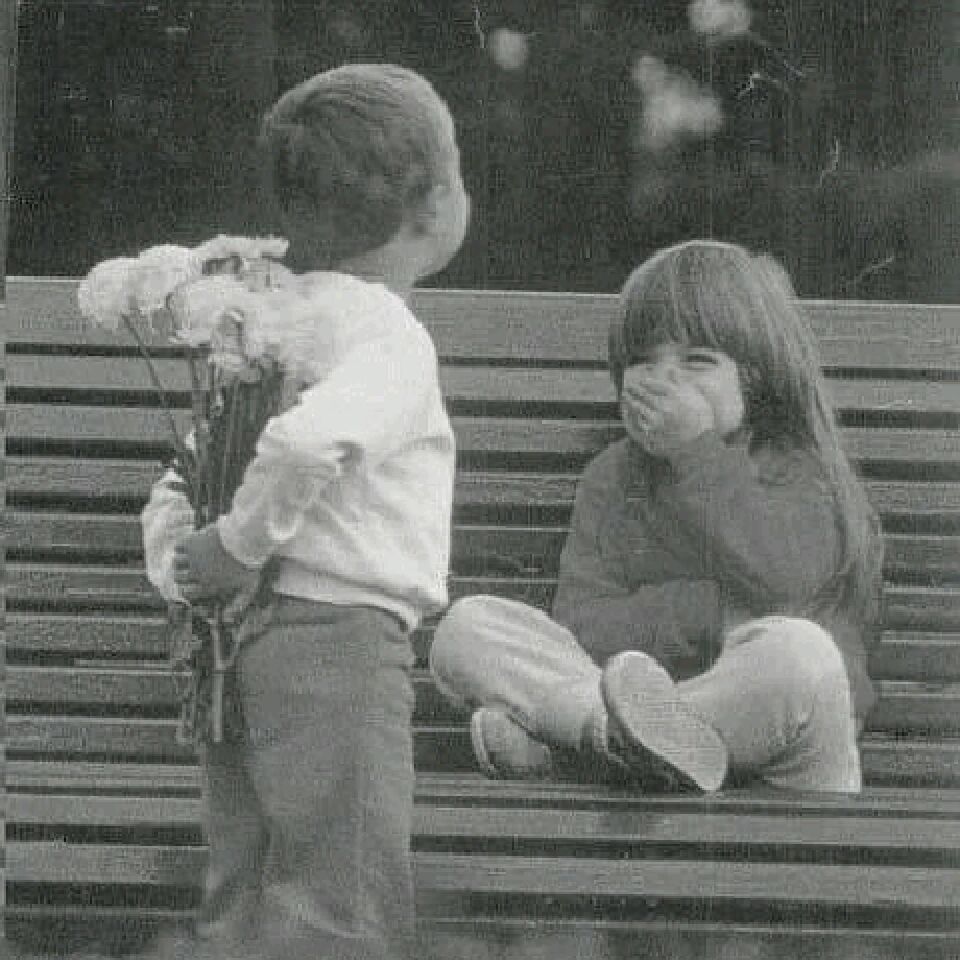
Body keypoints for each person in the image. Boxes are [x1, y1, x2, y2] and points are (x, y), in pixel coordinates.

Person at [142, 63, 469, 960]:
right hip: (341, 641)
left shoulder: (268, 320)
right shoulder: (389, 337)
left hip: (240, 644)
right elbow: (302, 445)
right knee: (342, 891)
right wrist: (240, 545)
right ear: (436, 207)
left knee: (242, 878)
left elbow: (190, 469)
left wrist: (187, 562)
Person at [430, 239, 883, 795]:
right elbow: (583, 626)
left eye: (697, 361)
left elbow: (788, 580)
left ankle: (586, 749)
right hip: (629, 714)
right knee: (466, 630)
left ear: (756, 377)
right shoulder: (611, 477)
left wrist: (695, 453)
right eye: (645, 360)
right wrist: (706, 612)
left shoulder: (796, 465)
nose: (665, 379)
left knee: (802, 655)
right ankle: (622, 739)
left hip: (783, 760)